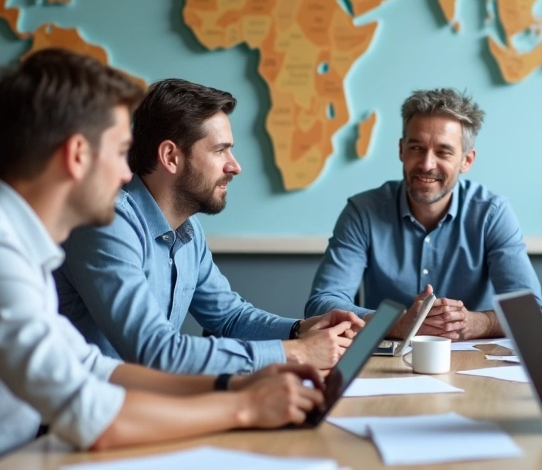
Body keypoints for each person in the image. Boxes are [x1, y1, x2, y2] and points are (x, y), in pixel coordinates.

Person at [0, 50, 324, 470]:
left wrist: (234, 382)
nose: (126, 173)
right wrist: (243, 406)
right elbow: (95, 418)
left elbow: (94, 369)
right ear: (77, 155)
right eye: (119, 153)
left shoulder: (13, 244)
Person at [56, 79, 365, 374]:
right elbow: (154, 351)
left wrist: (299, 330)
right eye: (220, 150)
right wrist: (295, 352)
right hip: (79, 419)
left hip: (144, 407)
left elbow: (230, 318)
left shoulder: (188, 230)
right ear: (170, 157)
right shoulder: (107, 223)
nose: (235, 165)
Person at [304, 88, 542, 340]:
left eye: (443, 152)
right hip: (382, 365)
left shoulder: (492, 213)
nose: (427, 164)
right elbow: (321, 303)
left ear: (467, 160)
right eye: (416, 148)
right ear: (401, 150)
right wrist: (396, 323)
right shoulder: (363, 212)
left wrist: (477, 323)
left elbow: (531, 312)